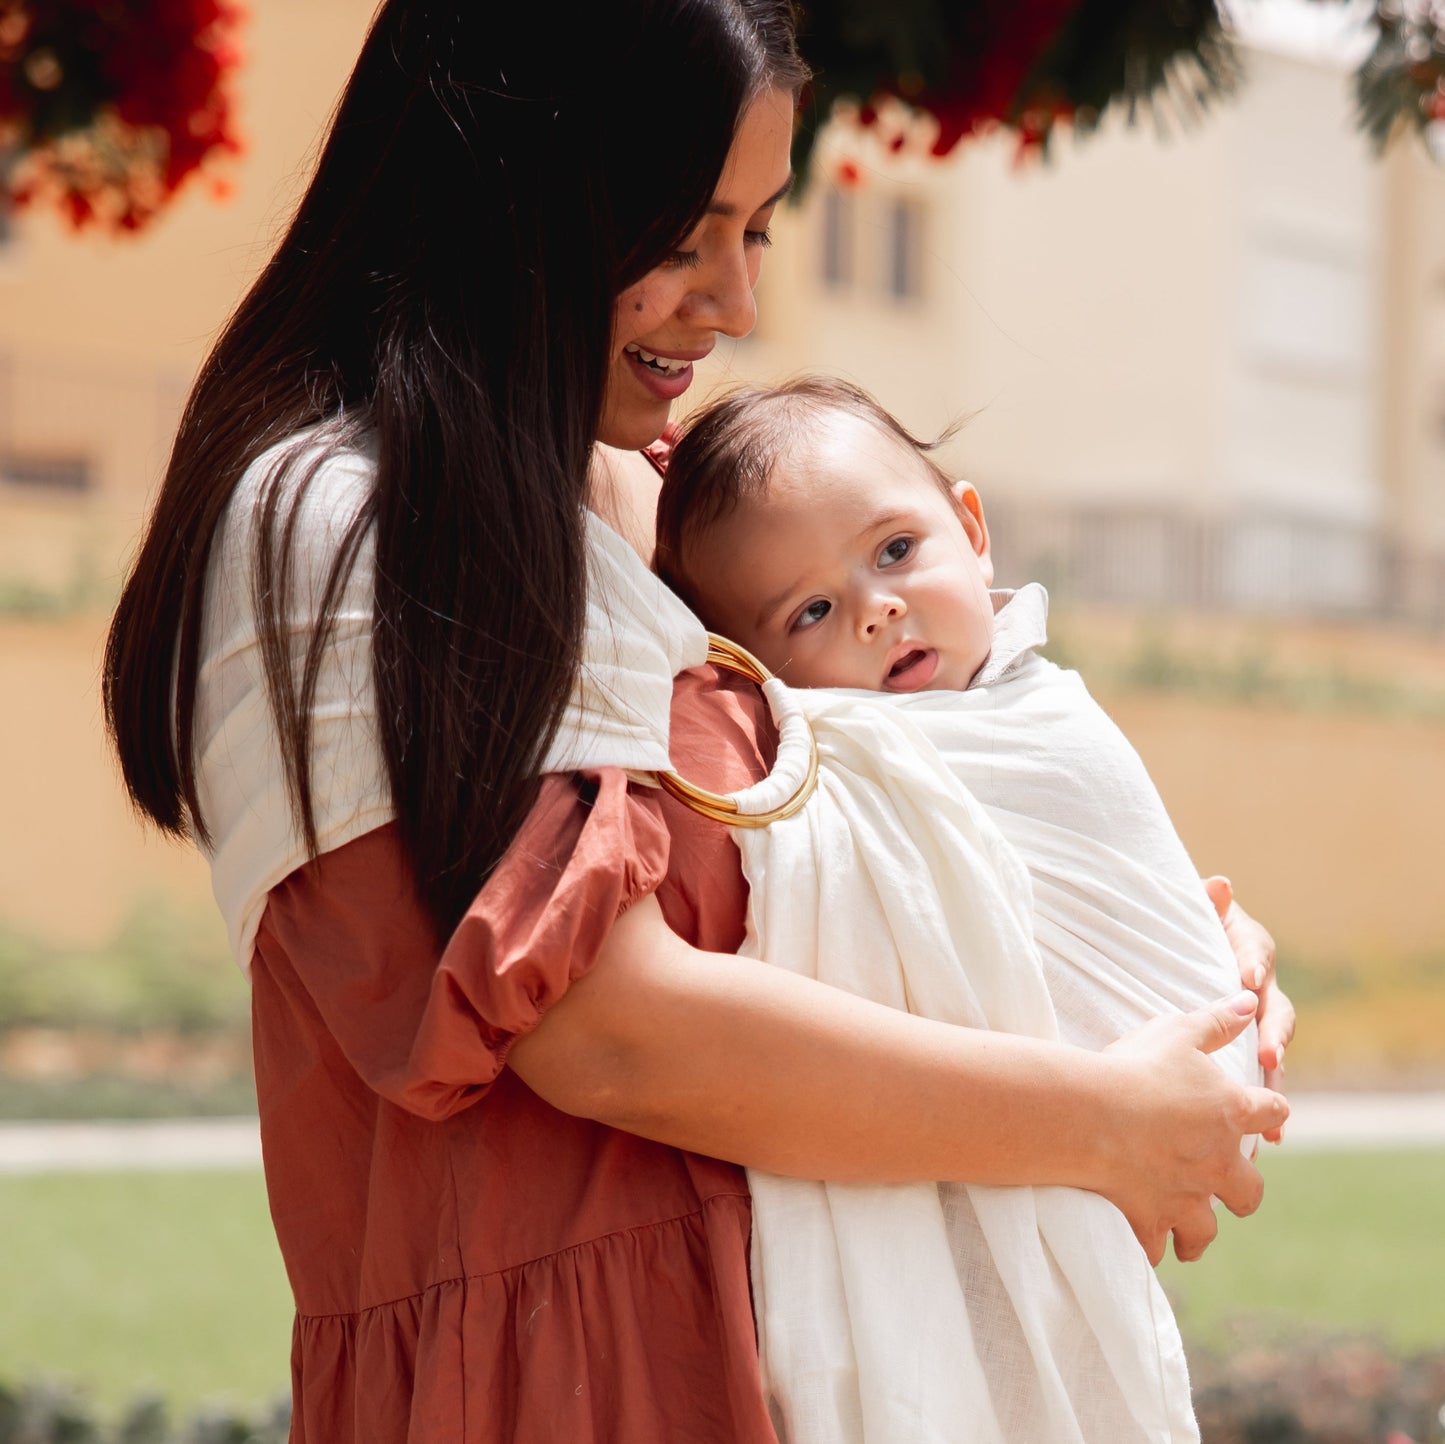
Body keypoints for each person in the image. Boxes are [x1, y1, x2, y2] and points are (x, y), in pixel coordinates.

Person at [100, 4, 1291, 1441]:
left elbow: (881, 853)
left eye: (757, 231)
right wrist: (1099, 1118)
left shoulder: (658, 503)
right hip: (572, 1391)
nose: (733, 303)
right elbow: (604, 1032)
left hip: (815, 1352)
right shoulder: (332, 524)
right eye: (682, 236)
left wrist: (1153, 964)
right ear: (514, 200)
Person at [652, 375, 1266, 1440]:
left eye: (894, 552)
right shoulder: (830, 759)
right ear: (757, 671)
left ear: (971, 530)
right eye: (810, 612)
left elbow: (1126, 870)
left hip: (1171, 1110)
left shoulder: (1046, 711)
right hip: (1032, 1135)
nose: (875, 607)